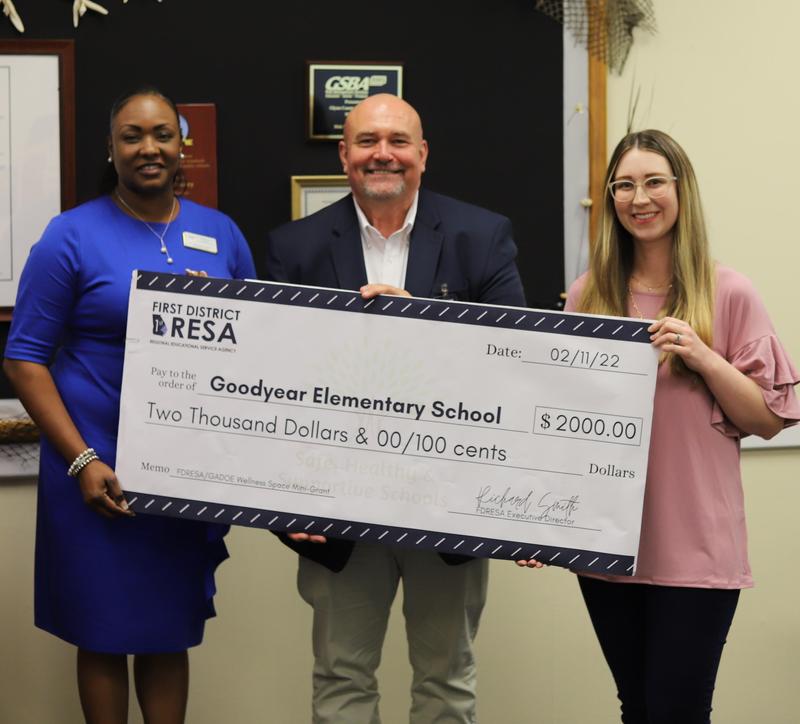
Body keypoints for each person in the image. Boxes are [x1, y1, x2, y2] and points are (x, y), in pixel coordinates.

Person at [519, 129, 800, 723]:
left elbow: (769, 419)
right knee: (638, 708)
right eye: (623, 185)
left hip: (697, 549)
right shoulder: (588, 294)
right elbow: (563, 425)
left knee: (679, 711)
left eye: (653, 182)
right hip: (608, 547)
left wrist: (703, 356)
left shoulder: (729, 292)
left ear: (681, 190)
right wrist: (537, 519)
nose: (639, 198)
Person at [266, 93, 525, 724]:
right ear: (344, 155)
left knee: (447, 683)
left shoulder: (481, 236)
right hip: (335, 508)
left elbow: (516, 365)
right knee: (341, 679)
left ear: (422, 154)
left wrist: (423, 327)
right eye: (367, 141)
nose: (383, 154)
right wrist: (278, 501)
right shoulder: (294, 247)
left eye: (398, 141)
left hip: (447, 504)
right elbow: (268, 384)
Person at [3, 87, 256, 724]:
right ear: (111, 148)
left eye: (162, 134)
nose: (149, 148)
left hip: (182, 467)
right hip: (94, 463)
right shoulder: (70, 235)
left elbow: (258, 349)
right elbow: (24, 358)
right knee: (103, 629)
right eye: (132, 135)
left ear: (181, 145)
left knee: (168, 629)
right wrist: (82, 460)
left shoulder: (221, 233)